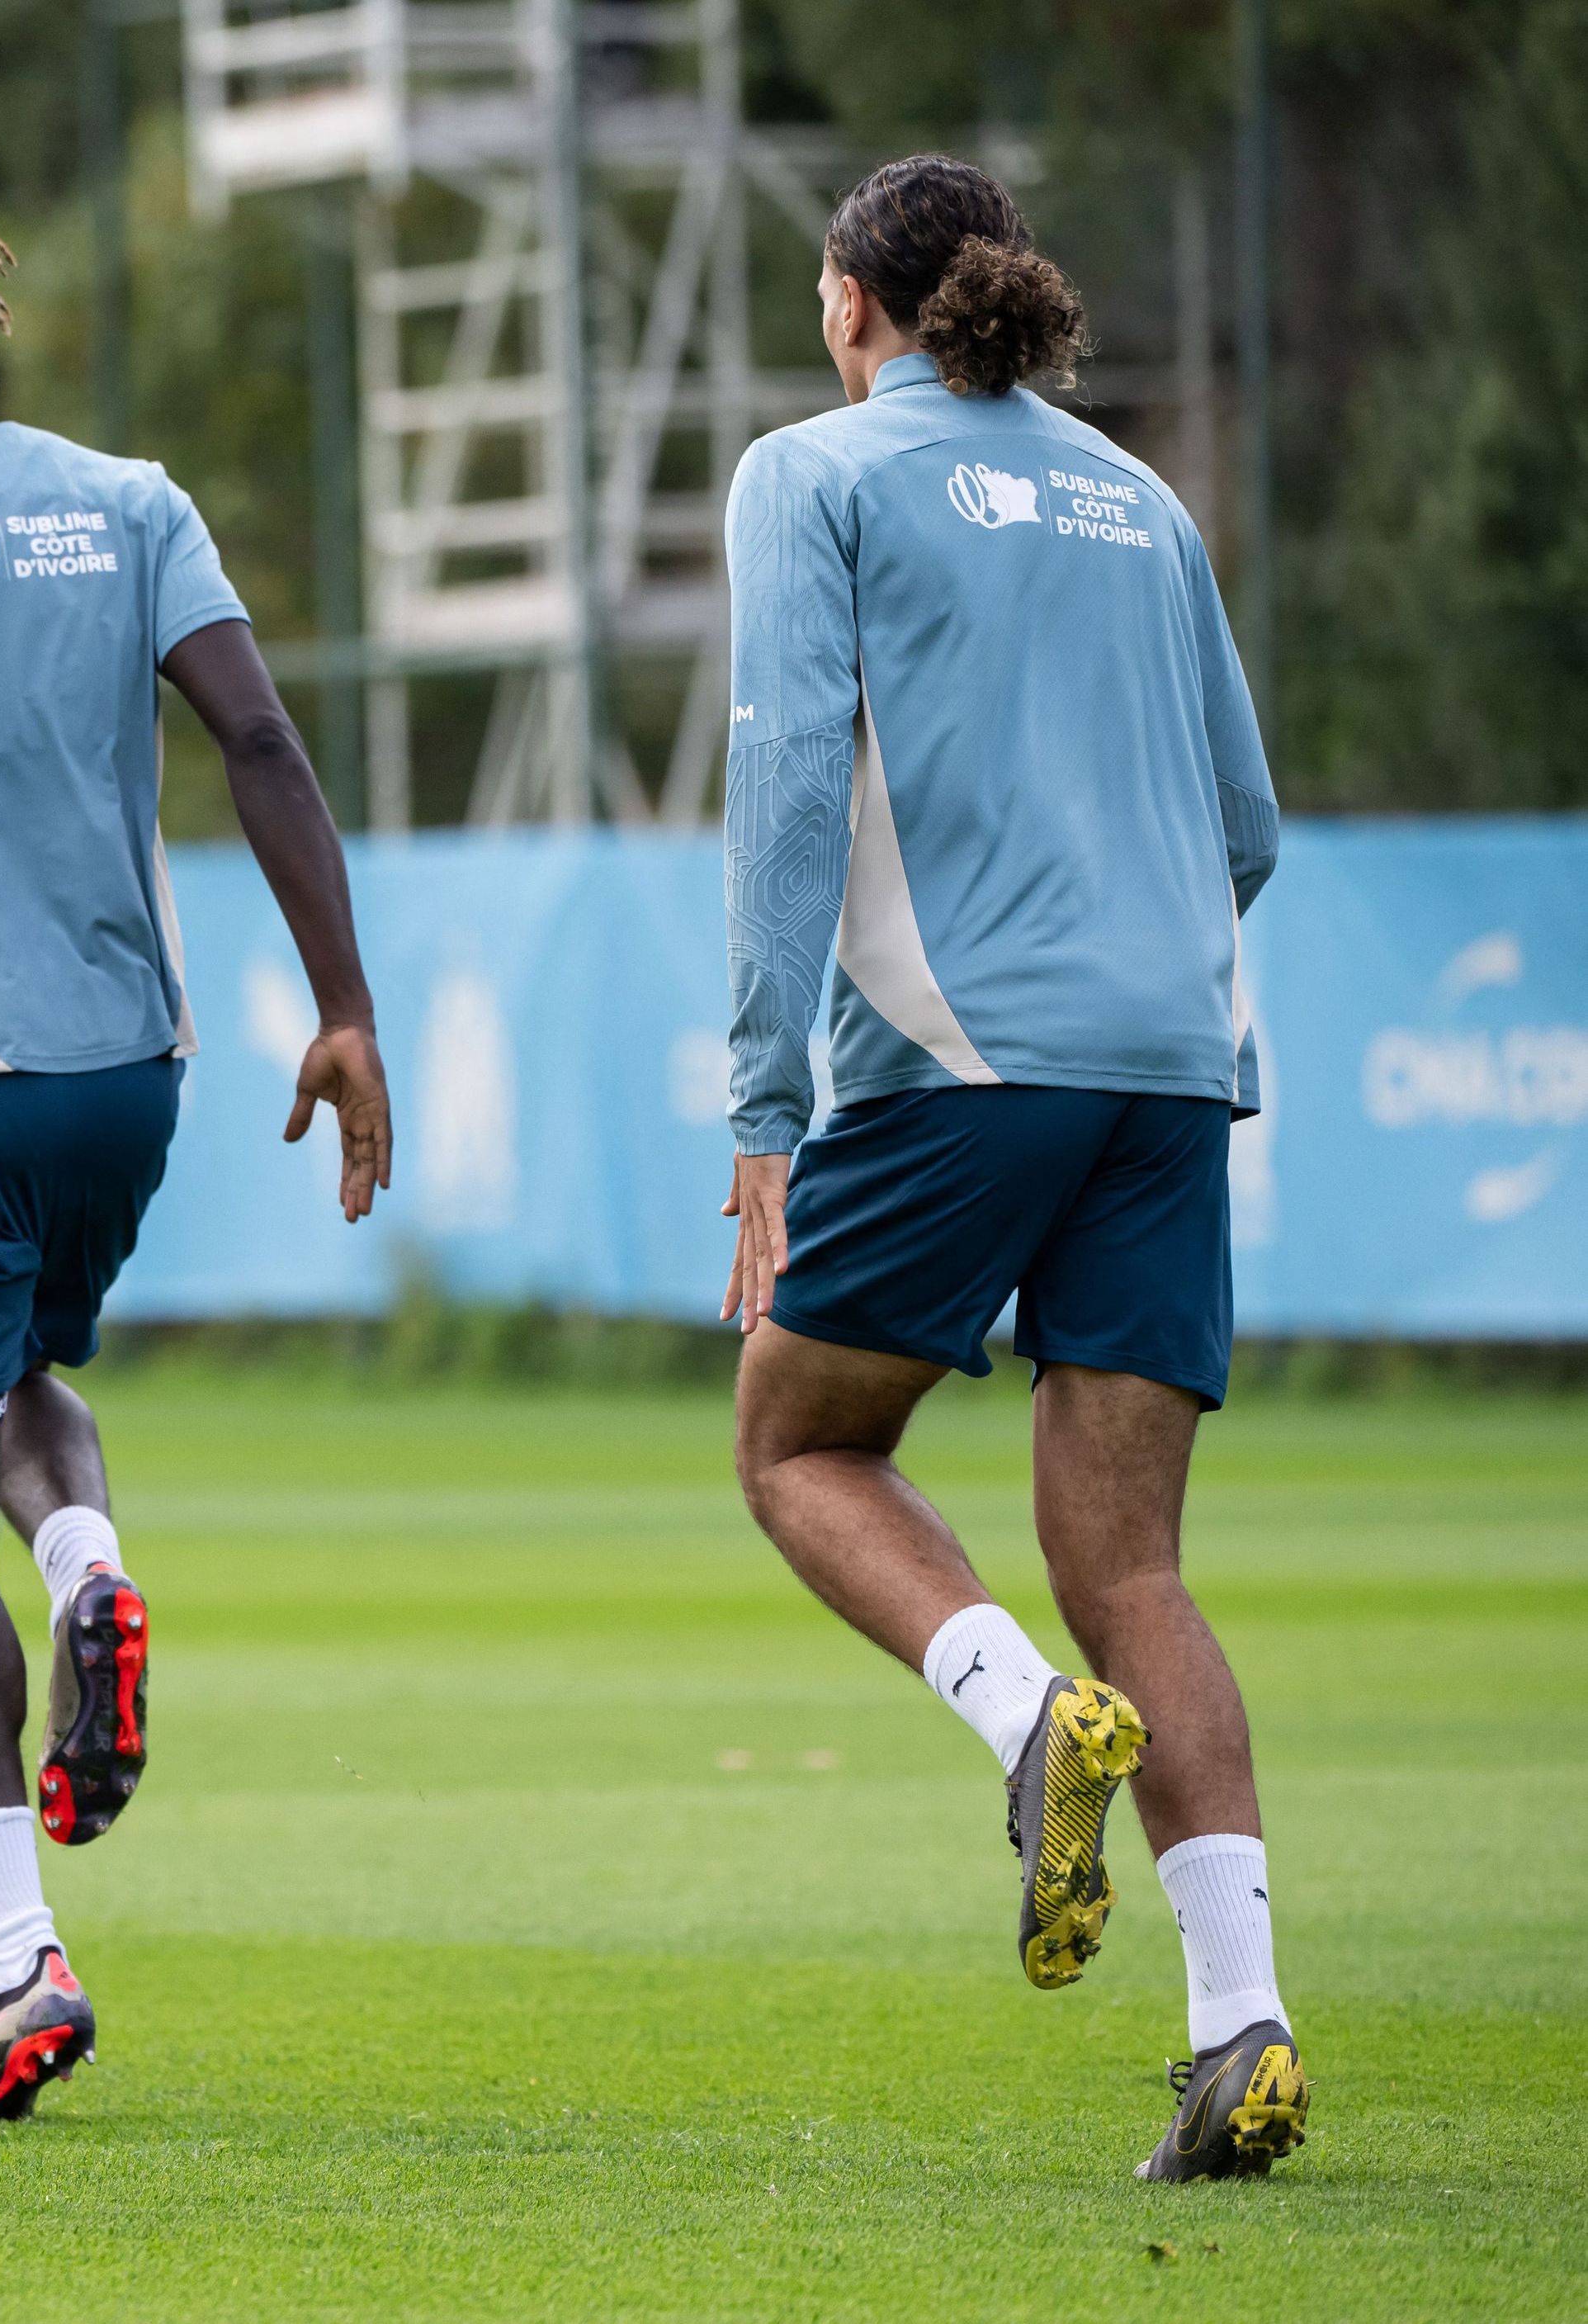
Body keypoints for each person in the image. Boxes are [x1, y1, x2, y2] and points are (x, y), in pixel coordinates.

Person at [0, 184, 393, 2120]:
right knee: (27, 1370)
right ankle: (94, 1558)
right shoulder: (126, 497)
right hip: (130, 1067)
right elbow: (263, 742)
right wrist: (345, 1007)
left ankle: (22, 1960)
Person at [718, 157, 1300, 2182]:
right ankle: (1245, 2032)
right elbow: (1247, 826)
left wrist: (765, 1101)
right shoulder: (1141, 500)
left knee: (796, 1444)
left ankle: (1022, 1716)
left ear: (855, 307)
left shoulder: (819, 474)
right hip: (1173, 1056)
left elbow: (790, 778)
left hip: (970, 1055)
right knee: (1136, 1562)